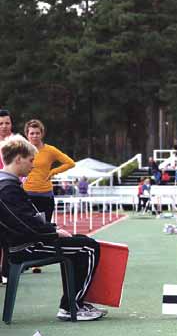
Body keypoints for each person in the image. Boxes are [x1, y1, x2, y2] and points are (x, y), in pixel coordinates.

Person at [0, 134, 105, 321]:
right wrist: (53, 232)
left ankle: (72, 303)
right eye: (31, 160)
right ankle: (72, 306)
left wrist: (52, 228)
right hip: (26, 247)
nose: (33, 165)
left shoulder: (9, 185)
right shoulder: (7, 188)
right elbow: (26, 225)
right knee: (88, 247)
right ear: (18, 159)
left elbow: (27, 220)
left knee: (78, 241)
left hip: (25, 243)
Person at [23, 119, 75, 224]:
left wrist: (53, 171)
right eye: (32, 133)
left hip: (45, 195)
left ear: (42, 134)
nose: (35, 136)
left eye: (37, 133)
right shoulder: (22, 150)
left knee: (45, 226)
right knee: (27, 226)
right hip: (26, 195)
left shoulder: (50, 150)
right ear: (27, 135)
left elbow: (70, 163)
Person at [0, 109, 14, 284]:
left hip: (11, 194)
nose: (4, 126)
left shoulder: (17, 143)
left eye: (7, 123)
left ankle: (8, 272)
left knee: (9, 237)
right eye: (1, 123)